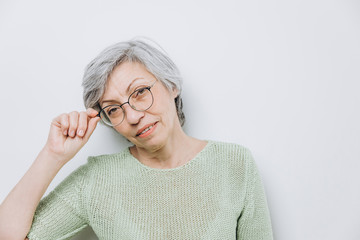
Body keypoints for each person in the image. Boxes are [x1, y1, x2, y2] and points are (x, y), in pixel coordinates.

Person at [0, 37, 273, 240]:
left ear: (171, 85)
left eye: (140, 91)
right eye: (114, 109)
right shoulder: (97, 180)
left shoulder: (235, 164)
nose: (132, 116)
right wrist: (52, 155)